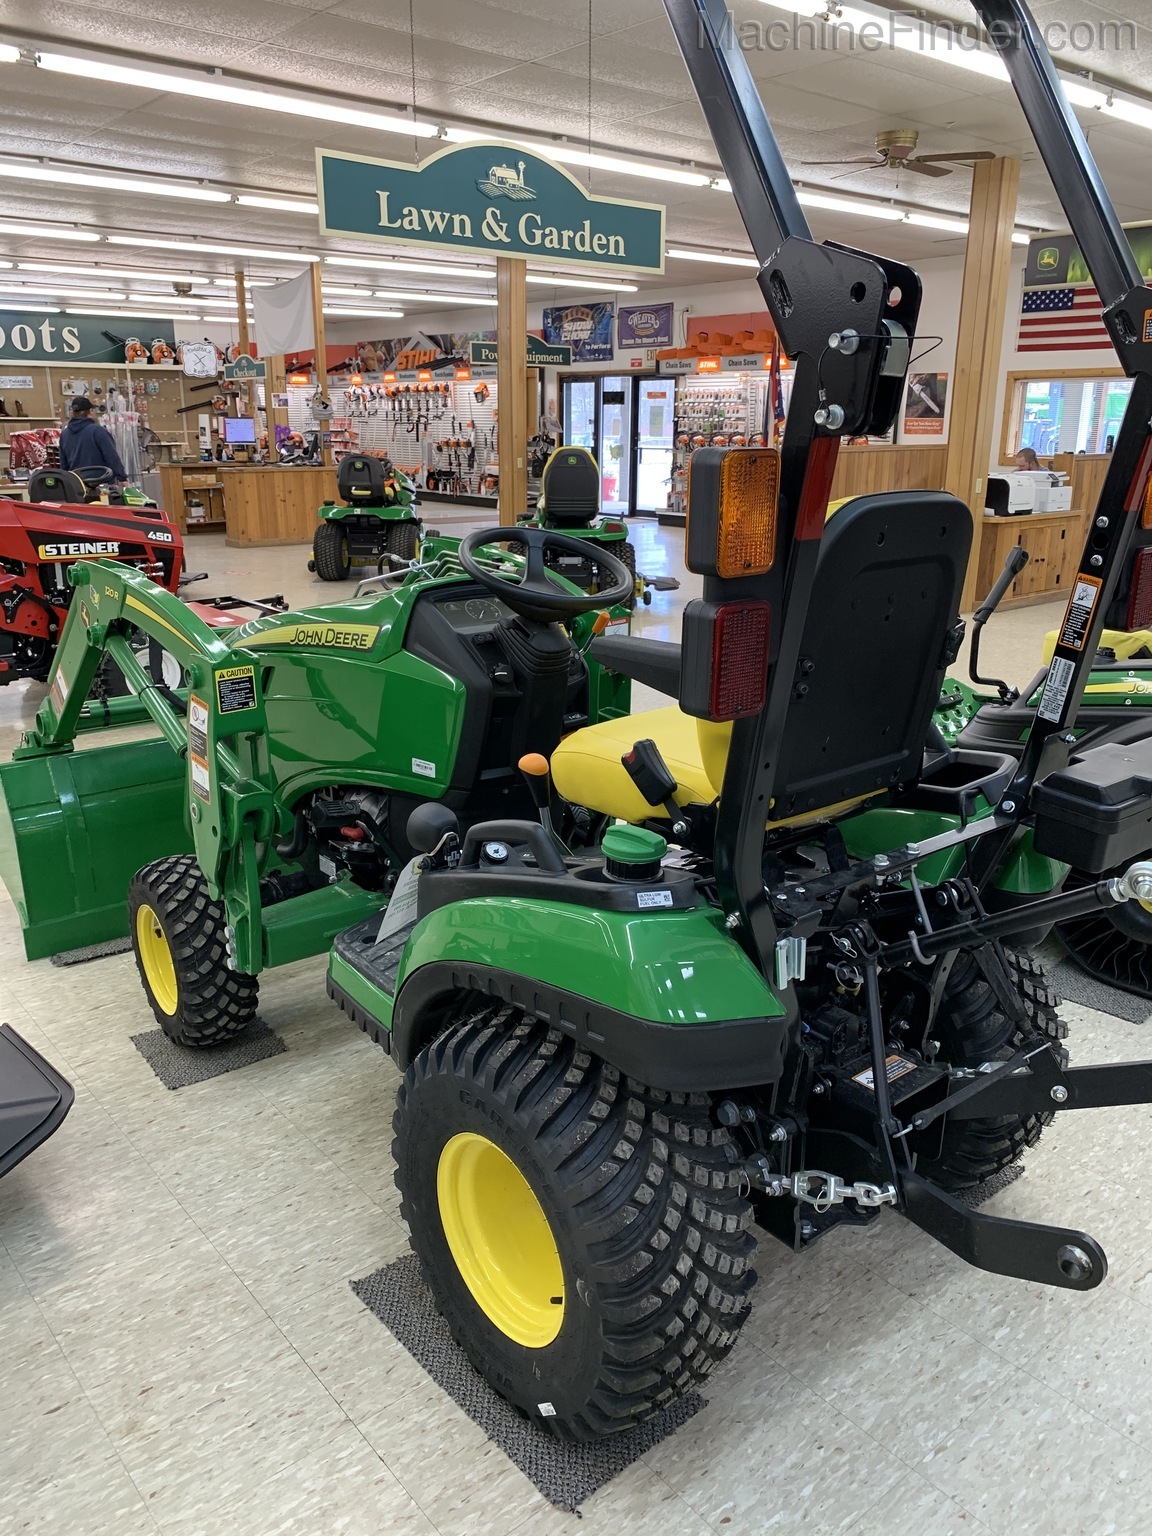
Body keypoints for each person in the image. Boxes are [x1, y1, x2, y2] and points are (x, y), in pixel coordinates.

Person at [58, 397, 127, 483]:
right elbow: (111, 457)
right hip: (101, 483)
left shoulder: (64, 434)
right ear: (90, 411)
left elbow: (64, 464)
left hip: (78, 485)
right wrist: (122, 478)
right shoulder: (98, 431)